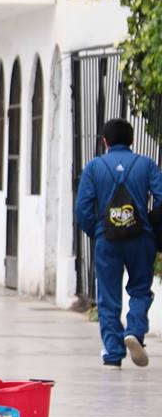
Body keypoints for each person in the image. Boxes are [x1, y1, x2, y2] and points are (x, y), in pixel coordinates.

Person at [75, 118, 162, 368]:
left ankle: (113, 352)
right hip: (140, 238)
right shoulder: (146, 164)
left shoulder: (94, 167)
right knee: (140, 289)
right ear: (132, 140)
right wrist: (150, 224)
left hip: (107, 240)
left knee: (108, 294)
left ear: (105, 141)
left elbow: (82, 209)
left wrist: (98, 231)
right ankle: (134, 330)